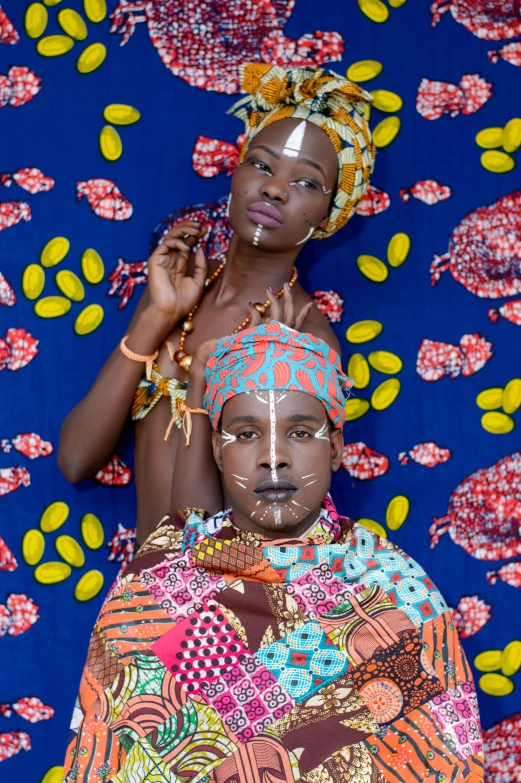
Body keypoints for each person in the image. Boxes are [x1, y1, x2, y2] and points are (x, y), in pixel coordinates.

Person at [63, 320, 484, 783]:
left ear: (337, 448)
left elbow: (439, 761)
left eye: (301, 433)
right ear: (218, 453)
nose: (274, 456)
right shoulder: (158, 579)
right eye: (246, 435)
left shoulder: (393, 587)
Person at [57, 63, 375, 546]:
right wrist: (155, 316)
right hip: (141, 604)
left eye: (306, 183)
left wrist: (234, 372)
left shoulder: (302, 338)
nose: (274, 188)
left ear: (331, 215)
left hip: (216, 615)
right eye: (263, 165)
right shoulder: (182, 291)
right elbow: (76, 459)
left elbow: (206, 536)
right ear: (237, 171)